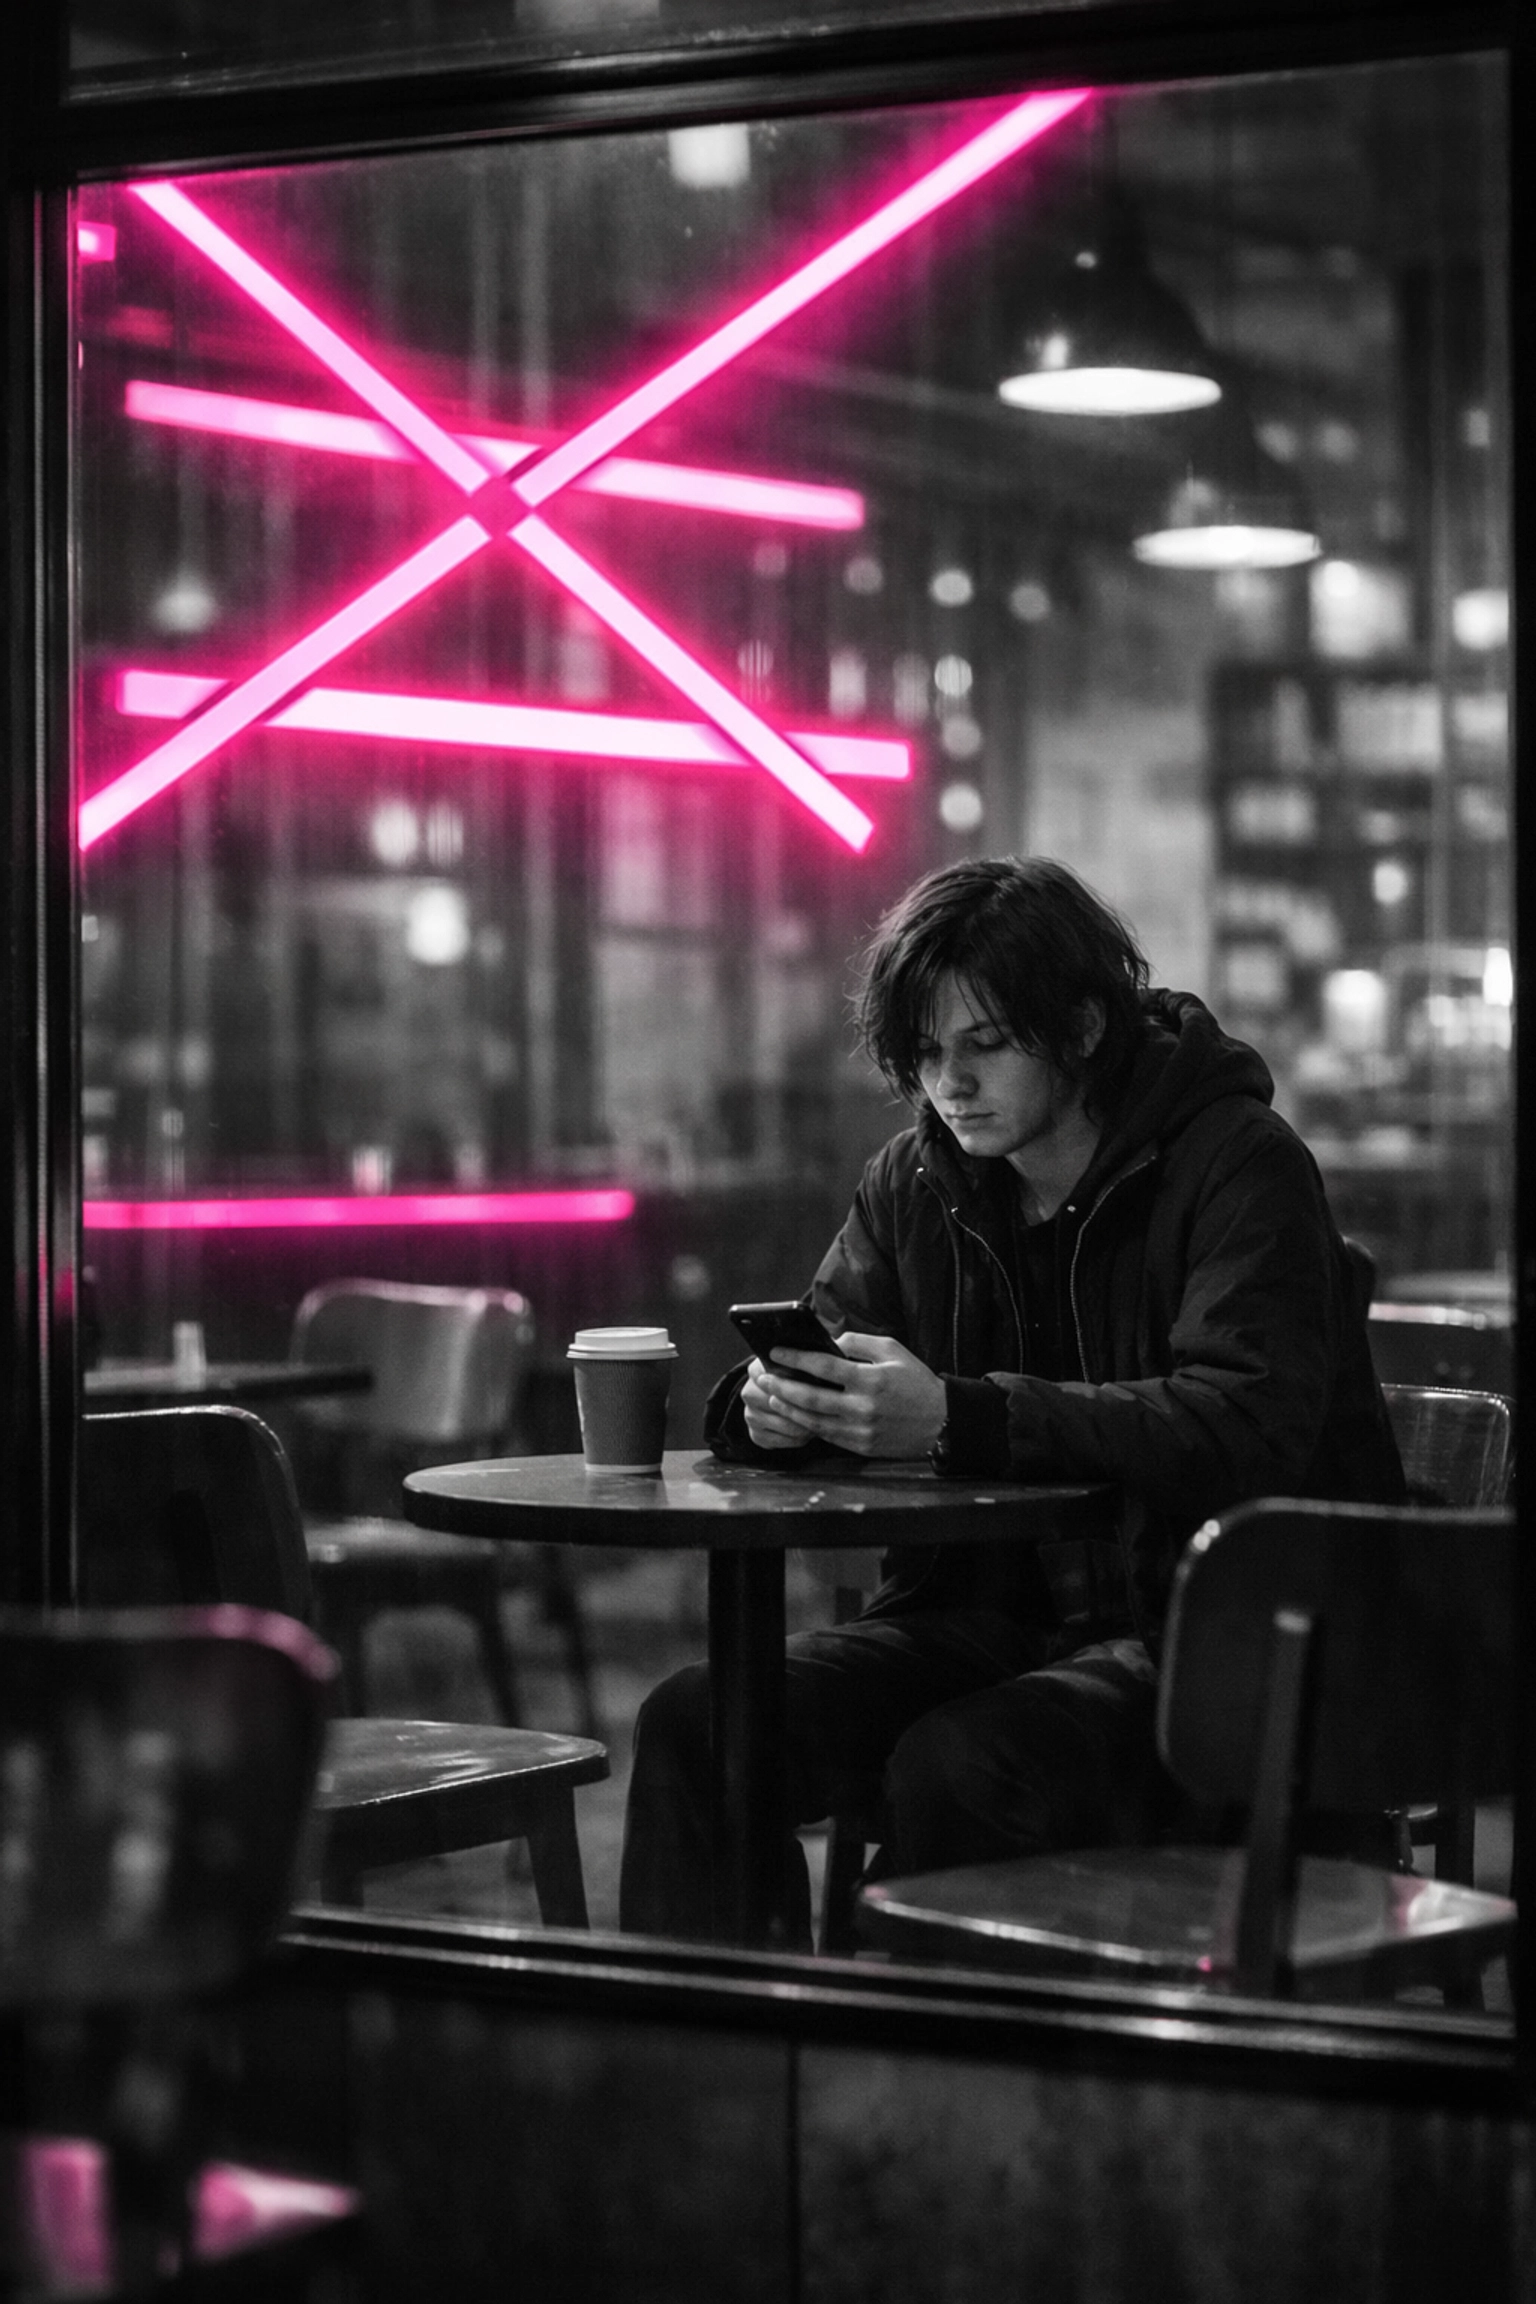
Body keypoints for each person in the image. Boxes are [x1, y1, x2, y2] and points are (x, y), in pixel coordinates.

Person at [619, 856, 1405, 1944]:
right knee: (700, 1724)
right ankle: (730, 2078)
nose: (951, 1083)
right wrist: (773, 1409)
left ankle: (926, 2097)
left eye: (984, 1046)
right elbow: (829, 1345)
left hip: (1214, 1650)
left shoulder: (1237, 1165)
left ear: (1083, 1029)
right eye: (929, 1054)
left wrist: (958, 1414)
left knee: (965, 1764)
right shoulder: (916, 1180)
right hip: (983, 1620)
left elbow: (1244, 1425)